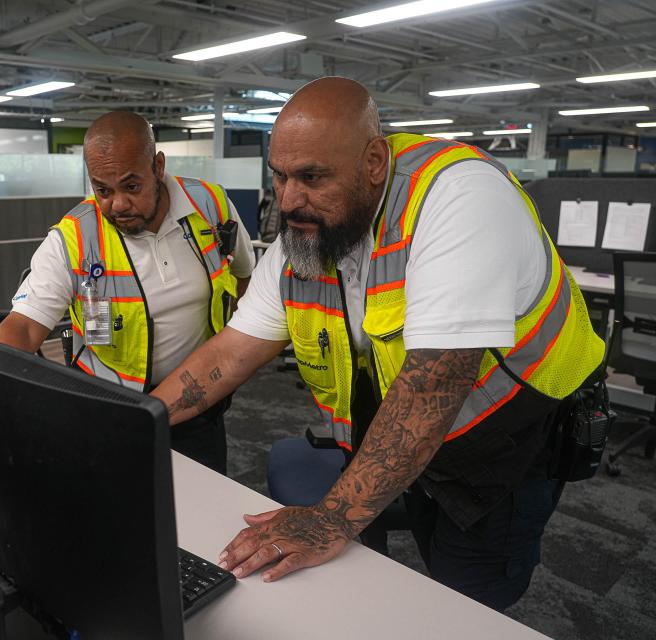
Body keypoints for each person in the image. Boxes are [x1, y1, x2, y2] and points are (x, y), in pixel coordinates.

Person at [151, 77, 604, 610]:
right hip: (399, 431)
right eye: (280, 176)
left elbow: (432, 386)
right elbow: (229, 353)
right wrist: (135, 422)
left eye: (312, 177)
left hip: (504, 439)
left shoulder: (459, 198)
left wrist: (329, 519)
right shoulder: (309, 235)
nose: (289, 200)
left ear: (372, 162)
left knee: (465, 603)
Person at [0, 111, 255, 474]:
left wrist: (229, 357)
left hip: (197, 407)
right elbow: (21, 328)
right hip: (108, 408)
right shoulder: (74, 237)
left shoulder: (210, 204)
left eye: (131, 186)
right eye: (103, 189)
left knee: (202, 516)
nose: (116, 204)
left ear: (158, 166)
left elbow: (245, 276)